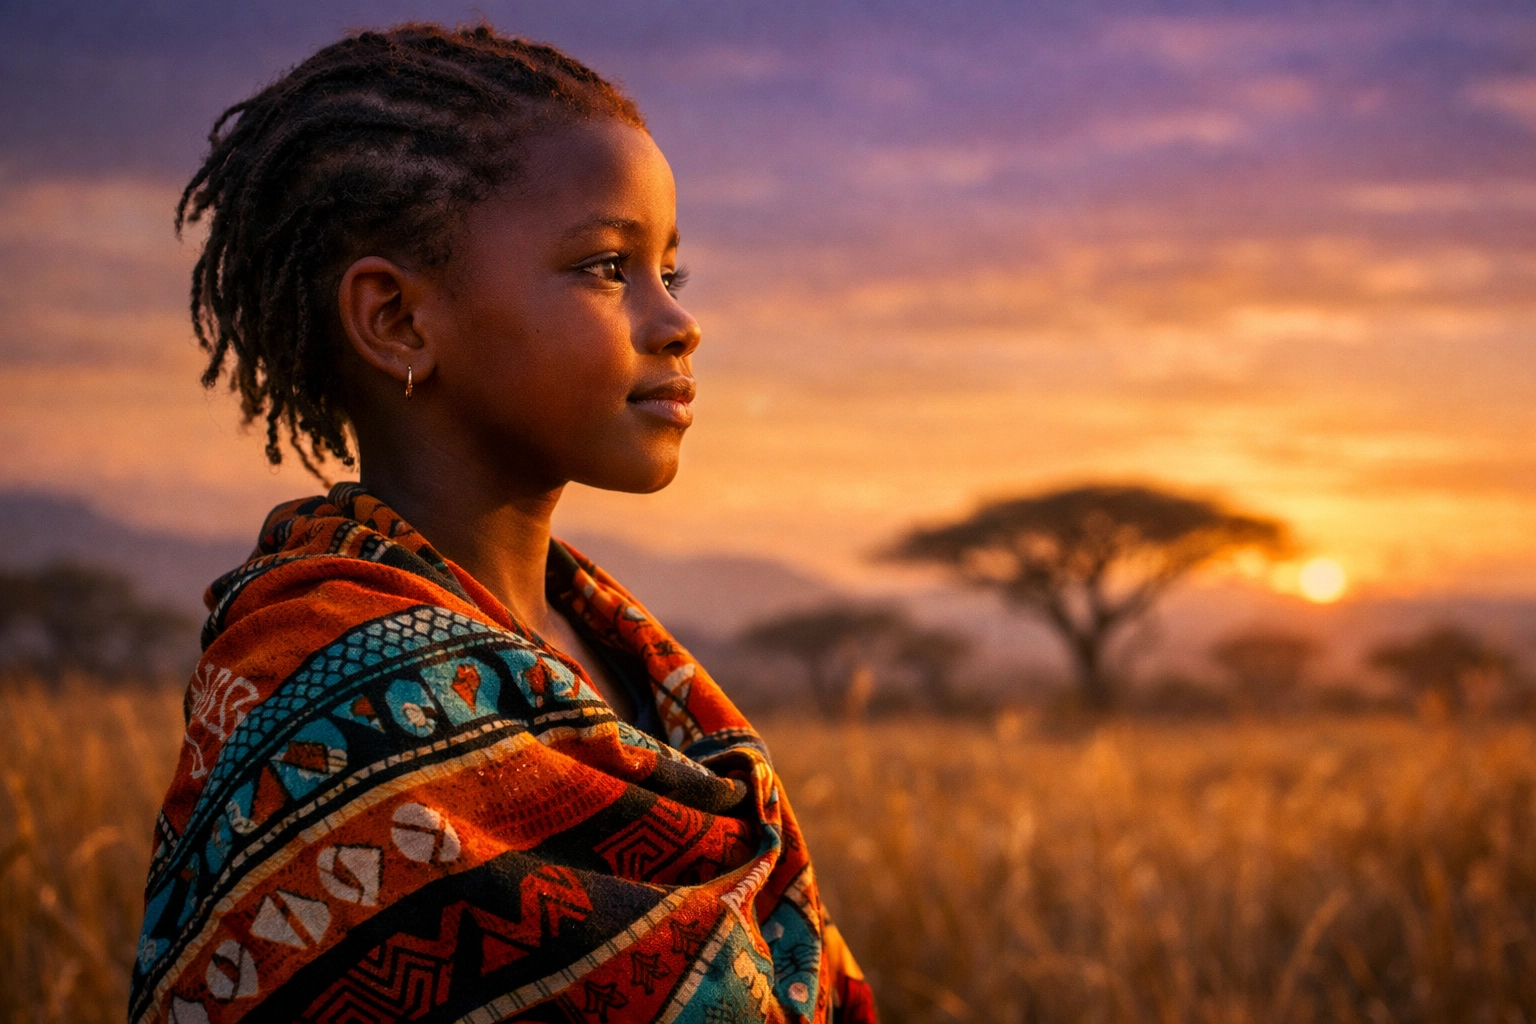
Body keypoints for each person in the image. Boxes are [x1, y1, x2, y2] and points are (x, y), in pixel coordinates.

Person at [130, 23, 877, 1024]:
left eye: (671, 272)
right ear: (396, 318)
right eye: (608, 267)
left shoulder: (620, 649)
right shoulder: (316, 692)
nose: (677, 320)